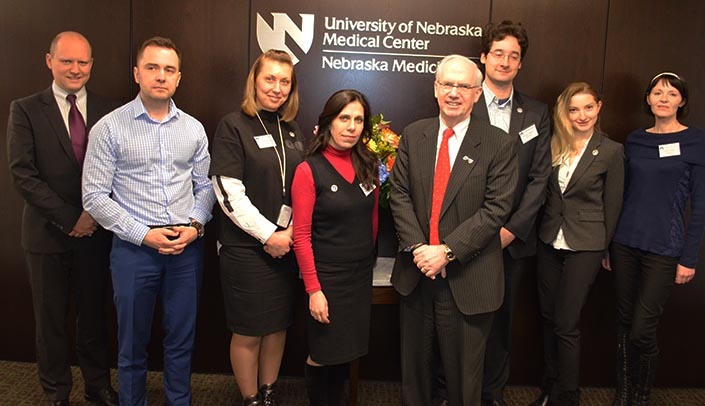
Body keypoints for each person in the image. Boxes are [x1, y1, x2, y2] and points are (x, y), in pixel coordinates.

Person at [82, 36, 215, 405]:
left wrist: (195, 227)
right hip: (133, 251)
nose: (161, 76)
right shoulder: (109, 128)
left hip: (186, 250)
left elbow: (206, 187)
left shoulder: (193, 129)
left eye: (169, 69)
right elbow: (94, 196)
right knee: (131, 344)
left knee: (181, 341)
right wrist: (146, 236)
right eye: (153, 68)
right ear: (137, 73)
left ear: (179, 78)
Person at [390, 54, 518, 405]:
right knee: (415, 380)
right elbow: (399, 194)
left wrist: (446, 251)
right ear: (435, 89)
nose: (454, 92)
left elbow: (496, 210)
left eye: (464, 86)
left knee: (464, 385)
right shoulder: (415, 135)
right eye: (447, 84)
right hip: (417, 277)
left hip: (468, 279)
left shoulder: (499, 143)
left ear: (477, 94)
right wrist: (420, 249)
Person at [6, 31, 119, 406]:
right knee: (50, 321)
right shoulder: (25, 109)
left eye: (82, 62)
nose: (75, 68)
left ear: (91, 65)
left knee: (93, 318)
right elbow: (23, 174)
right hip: (46, 235)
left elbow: (122, 170)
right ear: (49, 61)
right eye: (67, 61)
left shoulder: (109, 110)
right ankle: (56, 392)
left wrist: (94, 216)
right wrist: (72, 218)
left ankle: (97, 385)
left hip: (97, 232)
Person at [209, 49, 305, 406]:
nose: (277, 88)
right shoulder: (233, 125)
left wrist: (290, 233)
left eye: (285, 81)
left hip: (285, 247)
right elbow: (227, 192)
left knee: (277, 326)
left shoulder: (292, 129)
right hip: (247, 250)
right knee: (249, 331)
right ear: (254, 81)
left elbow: (302, 189)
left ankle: (268, 393)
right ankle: (250, 399)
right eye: (270, 79)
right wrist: (269, 235)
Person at [608, 72, 705, 406]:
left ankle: (642, 395)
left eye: (672, 92)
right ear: (648, 99)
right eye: (657, 92)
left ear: (682, 101)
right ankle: (623, 393)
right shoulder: (635, 140)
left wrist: (689, 258)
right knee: (622, 322)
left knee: (642, 328)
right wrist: (609, 244)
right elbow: (621, 194)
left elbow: (701, 205)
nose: (664, 98)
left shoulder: (696, 141)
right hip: (624, 243)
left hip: (664, 249)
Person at [473, 20, 552, 406]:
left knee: (502, 326)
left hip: (512, 244)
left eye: (513, 56)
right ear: (484, 57)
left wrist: (510, 230)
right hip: (466, 239)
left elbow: (539, 180)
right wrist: (478, 233)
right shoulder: (462, 102)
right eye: (498, 53)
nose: (505, 62)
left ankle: (492, 396)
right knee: (460, 323)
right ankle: (452, 392)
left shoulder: (535, 113)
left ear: (520, 64)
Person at [535, 82, 624, 406]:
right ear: (565, 113)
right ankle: (549, 388)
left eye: (588, 107)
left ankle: (568, 396)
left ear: (599, 107)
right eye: (574, 109)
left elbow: (613, 205)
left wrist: (605, 249)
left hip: (586, 245)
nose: (581, 115)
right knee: (547, 318)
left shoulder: (611, 151)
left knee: (566, 323)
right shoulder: (554, 145)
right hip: (549, 240)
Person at [291, 89, 379, 406]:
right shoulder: (308, 169)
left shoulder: (369, 163)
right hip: (326, 279)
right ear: (329, 121)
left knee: (345, 354)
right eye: (344, 118)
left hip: (357, 277)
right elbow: (300, 235)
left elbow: (372, 218)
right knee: (323, 354)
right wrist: (314, 289)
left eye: (358, 119)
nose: (351, 126)